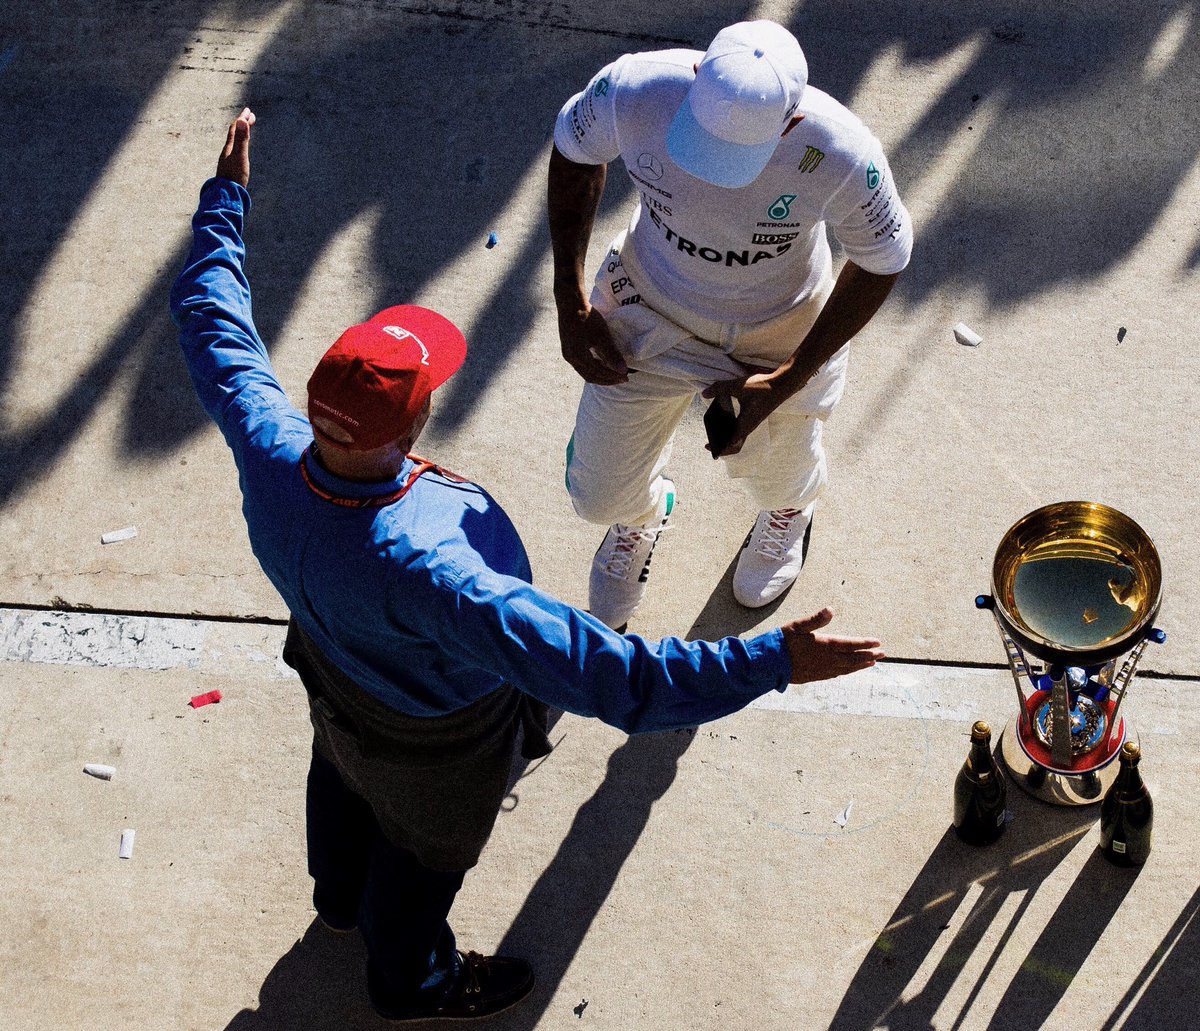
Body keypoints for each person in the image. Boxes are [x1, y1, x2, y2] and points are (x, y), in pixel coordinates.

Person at [171, 108, 884, 1023]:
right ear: (412, 425)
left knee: (341, 782)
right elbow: (622, 681)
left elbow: (210, 316)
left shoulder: (271, 448)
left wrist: (224, 199)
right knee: (420, 865)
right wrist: (775, 660)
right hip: (437, 749)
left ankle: (336, 900)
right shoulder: (439, 575)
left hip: (330, 676)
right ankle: (412, 982)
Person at [550, 19, 913, 630]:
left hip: (778, 330)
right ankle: (641, 515)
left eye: (736, 152)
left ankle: (788, 513)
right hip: (648, 304)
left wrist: (791, 376)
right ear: (695, 77)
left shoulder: (843, 153)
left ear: (793, 121)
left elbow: (885, 259)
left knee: (780, 481)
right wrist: (569, 298)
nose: (714, 171)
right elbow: (574, 153)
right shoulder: (631, 88)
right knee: (597, 495)